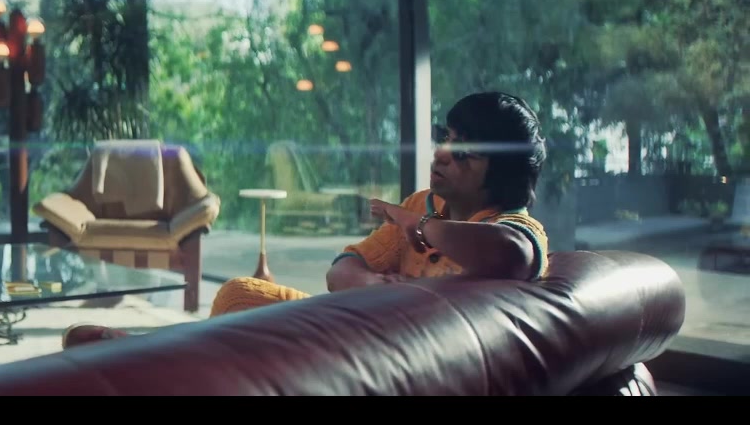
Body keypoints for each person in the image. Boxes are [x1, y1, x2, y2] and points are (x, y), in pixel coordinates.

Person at [61, 91, 550, 349]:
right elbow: (342, 268)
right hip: (359, 320)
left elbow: (512, 254)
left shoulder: (513, 225)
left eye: (464, 152)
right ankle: (153, 347)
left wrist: (415, 227)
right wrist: (370, 284)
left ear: (501, 174)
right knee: (238, 294)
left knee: (246, 336)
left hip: (389, 350)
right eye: (447, 138)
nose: (442, 153)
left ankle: (144, 354)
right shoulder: (425, 201)